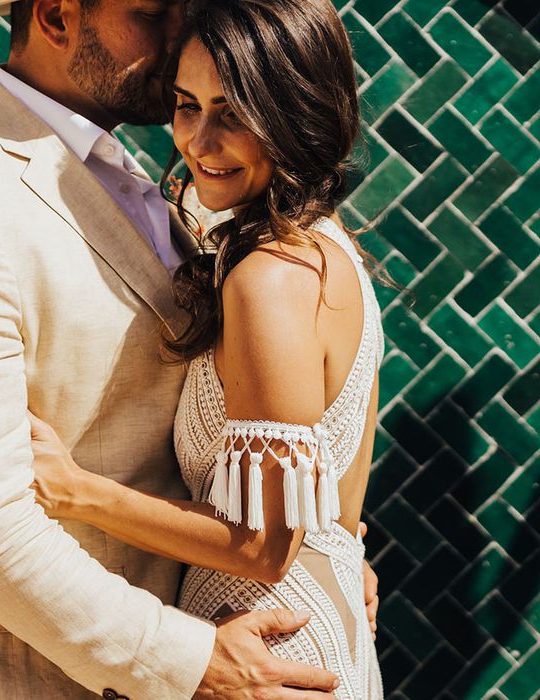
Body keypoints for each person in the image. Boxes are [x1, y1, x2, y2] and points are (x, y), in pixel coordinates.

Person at [0, 0, 376, 697]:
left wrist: (331, 548)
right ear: (58, 15)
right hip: (42, 677)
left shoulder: (181, 193)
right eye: (156, 12)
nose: (181, 33)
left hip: (258, 640)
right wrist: (186, 662)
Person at [26, 0, 385, 697]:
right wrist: (349, 565)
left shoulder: (269, 280)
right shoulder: (328, 246)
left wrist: (75, 490)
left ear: (296, 112)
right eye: (186, 105)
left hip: (275, 652)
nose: (198, 140)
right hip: (314, 631)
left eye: (234, 112)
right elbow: (341, 511)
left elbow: (265, 547)